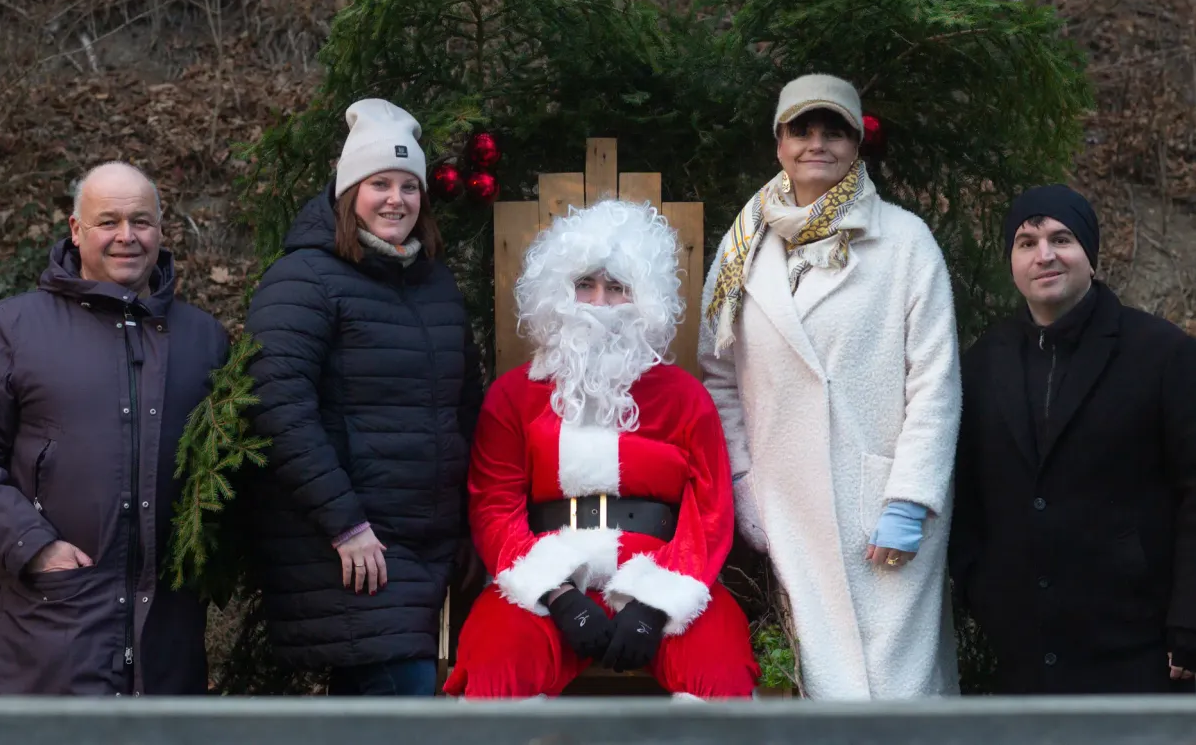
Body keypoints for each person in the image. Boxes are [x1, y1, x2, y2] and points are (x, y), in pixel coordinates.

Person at [698, 73, 962, 699]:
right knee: (811, 688)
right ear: (779, 143)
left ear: (857, 143)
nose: (817, 142)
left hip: (883, 506)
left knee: (897, 689)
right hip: (784, 508)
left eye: (834, 129)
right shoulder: (742, 248)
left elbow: (935, 379)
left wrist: (912, 497)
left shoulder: (904, 241)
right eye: (802, 129)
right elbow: (717, 377)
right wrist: (743, 485)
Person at [0, 162, 229, 695]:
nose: (126, 237)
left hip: (168, 643)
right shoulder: (15, 328)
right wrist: (33, 545)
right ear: (75, 230)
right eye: (107, 222)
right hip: (53, 631)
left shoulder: (205, 339)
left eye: (141, 221)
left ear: (161, 231)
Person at [443, 200, 760, 700]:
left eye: (616, 288)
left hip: (661, 570)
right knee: (493, 664)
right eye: (584, 286)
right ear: (559, 295)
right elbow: (493, 506)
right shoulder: (514, 395)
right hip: (546, 574)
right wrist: (558, 593)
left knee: (722, 672)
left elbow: (711, 510)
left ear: (644, 299)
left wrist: (655, 603)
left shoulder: (681, 395)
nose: (598, 303)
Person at [243, 98, 482, 696]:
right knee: (402, 694)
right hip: (354, 547)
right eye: (379, 183)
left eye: (409, 185)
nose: (396, 199)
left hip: (427, 545)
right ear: (350, 191)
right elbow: (278, 405)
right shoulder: (304, 279)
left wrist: (469, 525)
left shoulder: (434, 282)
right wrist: (345, 524)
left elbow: (464, 406)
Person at [950, 185, 1196, 694]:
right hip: (1026, 654)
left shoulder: (1161, 354)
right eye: (1026, 242)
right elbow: (967, 492)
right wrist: (982, 587)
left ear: (1090, 252)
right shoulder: (982, 363)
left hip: (1140, 651)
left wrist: (1189, 619)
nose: (1045, 255)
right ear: (1012, 261)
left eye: (1061, 238)